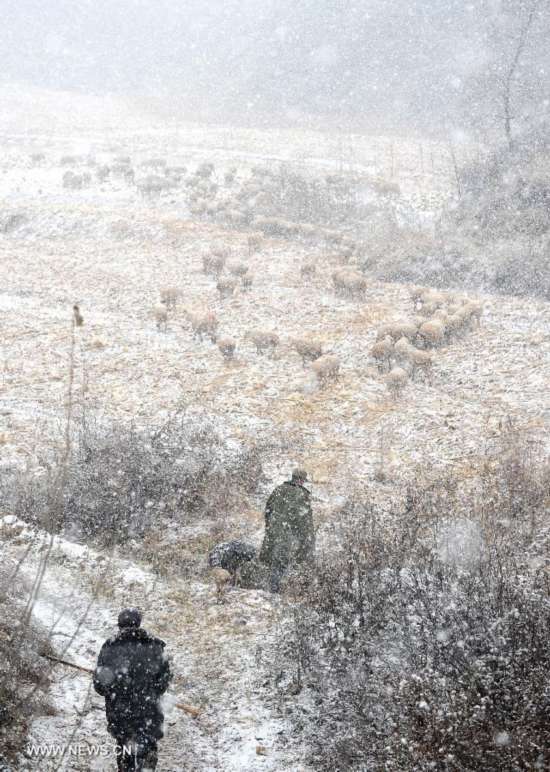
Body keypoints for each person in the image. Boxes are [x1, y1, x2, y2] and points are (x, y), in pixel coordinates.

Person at [93, 609, 171, 772]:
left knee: (125, 747)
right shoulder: (155, 646)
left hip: (121, 713)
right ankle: (147, 764)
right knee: (147, 743)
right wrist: (150, 692)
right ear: (139, 623)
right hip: (149, 711)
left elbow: (100, 686)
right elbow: (164, 681)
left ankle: (127, 766)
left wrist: (117, 688)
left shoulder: (110, 647)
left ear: (120, 625)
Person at [259, 468, 315, 593]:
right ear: (301, 480)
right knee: (283, 561)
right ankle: (276, 592)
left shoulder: (278, 489)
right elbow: (304, 522)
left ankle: (266, 588)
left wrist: (270, 527)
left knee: (271, 560)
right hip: (289, 535)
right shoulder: (302, 494)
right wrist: (307, 540)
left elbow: (268, 510)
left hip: (273, 533)